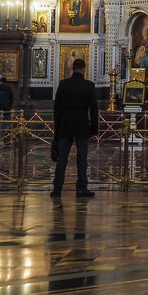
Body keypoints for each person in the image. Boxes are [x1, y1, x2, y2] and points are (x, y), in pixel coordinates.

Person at [51, 58, 98, 198]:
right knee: (82, 157)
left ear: (72, 67)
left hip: (65, 124)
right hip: (82, 124)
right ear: (84, 68)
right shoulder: (89, 85)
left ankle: (57, 188)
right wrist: (94, 129)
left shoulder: (63, 84)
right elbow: (94, 109)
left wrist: (57, 129)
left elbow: (57, 109)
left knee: (62, 158)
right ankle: (81, 187)